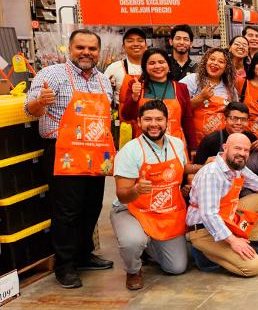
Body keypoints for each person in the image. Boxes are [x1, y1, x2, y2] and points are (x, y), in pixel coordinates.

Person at [25, 29, 116, 288]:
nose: (86, 53)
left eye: (92, 48)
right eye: (80, 48)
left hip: (95, 151)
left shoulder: (102, 80)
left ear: (98, 52)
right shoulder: (51, 75)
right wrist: (40, 102)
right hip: (64, 152)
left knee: (92, 207)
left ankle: (84, 254)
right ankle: (64, 265)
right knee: (67, 211)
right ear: (70, 48)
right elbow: (29, 110)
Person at [186, 133, 258, 277]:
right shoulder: (212, 173)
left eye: (246, 150)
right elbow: (208, 215)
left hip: (226, 219)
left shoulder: (237, 167)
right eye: (238, 148)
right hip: (203, 230)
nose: (242, 154)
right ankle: (205, 255)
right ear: (225, 148)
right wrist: (233, 241)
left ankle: (244, 243)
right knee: (253, 267)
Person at [112, 100, 194, 290]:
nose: (154, 124)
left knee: (177, 267)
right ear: (139, 122)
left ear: (167, 122)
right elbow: (123, 195)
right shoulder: (129, 151)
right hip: (132, 210)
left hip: (165, 209)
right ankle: (133, 270)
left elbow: (182, 169)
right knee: (132, 241)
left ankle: (149, 247)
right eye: (148, 119)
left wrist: (203, 166)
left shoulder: (176, 143)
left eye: (159, 119)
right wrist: (136, 190)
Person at [120, 48, 194, 143]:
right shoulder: (136, 85)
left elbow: (187, 120)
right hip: (144, 145)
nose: (157, 66)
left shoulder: (181, 88)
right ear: (145, 67)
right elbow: (127, 116)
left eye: (161, 62)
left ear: (168, 65)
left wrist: (193, 148)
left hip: (175, 145)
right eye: (152, 63)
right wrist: (134, 97)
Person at [180, 47, 238, 151]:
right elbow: (179, 108)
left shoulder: (230, 88)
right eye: (212, 59)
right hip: (194, 144)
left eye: (221, 61)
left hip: (221, 144)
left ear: (226, 67)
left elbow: (235, 114)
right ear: (206, 61)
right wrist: (201, 98)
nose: (215, 63)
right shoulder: (192, 80)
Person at [192, 102, 258, 165]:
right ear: (225, 119)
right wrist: (206, 166)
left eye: (243, 119)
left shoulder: (251, 139)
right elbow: (193, 173)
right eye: (234, 118)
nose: (239, 123)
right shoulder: (211, 140)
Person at [104, 27, 147, 110]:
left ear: (146, 46)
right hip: (122, 119)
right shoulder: (113, 68)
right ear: (123, 47)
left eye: (140, 40)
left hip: (150, 118)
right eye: (130, 41)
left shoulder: (154, 67)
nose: (135, 44)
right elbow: (104, 96)